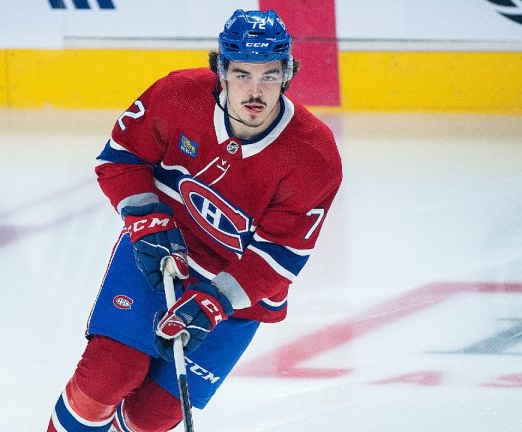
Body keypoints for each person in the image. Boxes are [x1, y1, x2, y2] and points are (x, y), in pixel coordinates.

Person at [47, 8, 342, 432]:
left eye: (269, 75)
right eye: (242, 74)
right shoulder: (178, 95)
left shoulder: (313, 156)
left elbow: (278, 258)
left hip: (235, 296)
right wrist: (147, 218)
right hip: (158, 260)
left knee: (153, 418)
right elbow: (121, 159)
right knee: (107, 376)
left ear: (287, 74)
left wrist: (216, 300)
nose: (255, 91)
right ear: (220, 70)